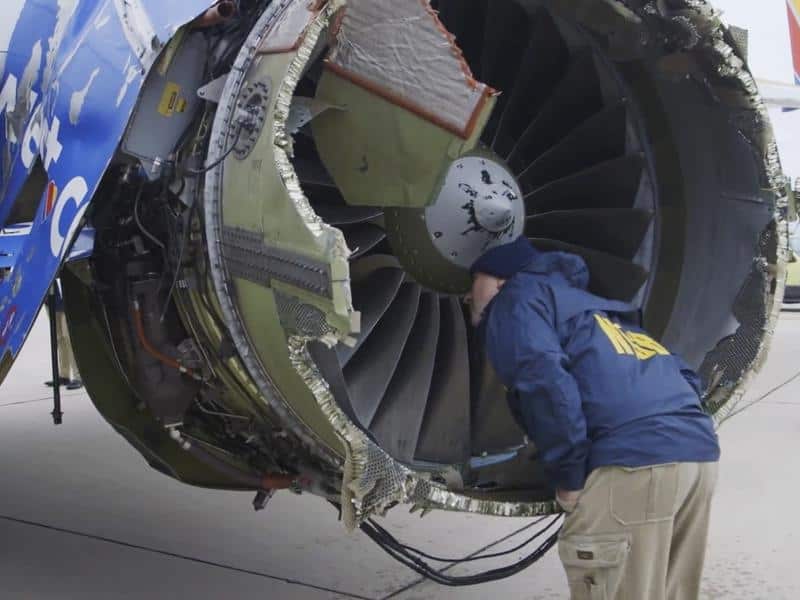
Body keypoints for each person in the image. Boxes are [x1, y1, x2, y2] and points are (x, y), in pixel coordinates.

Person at [466, 236, 720, 600]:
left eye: (471, 287)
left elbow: (546, 384)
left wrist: (569, 476)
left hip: (633, 465)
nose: (467, 299)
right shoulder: (598, 312)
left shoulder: (515, 300)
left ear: (498, 281)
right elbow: (686, 378)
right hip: (697, 459)